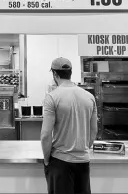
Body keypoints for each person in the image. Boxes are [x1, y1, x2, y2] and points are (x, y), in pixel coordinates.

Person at [40, 57, 98, 194]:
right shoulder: (89, 97)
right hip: (83, 163)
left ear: (55, 74)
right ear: (70, 73)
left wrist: (47, 160)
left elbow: (45, 135)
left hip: (60, 162)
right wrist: (83, 149)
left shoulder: (52, 97)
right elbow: (94, 130)